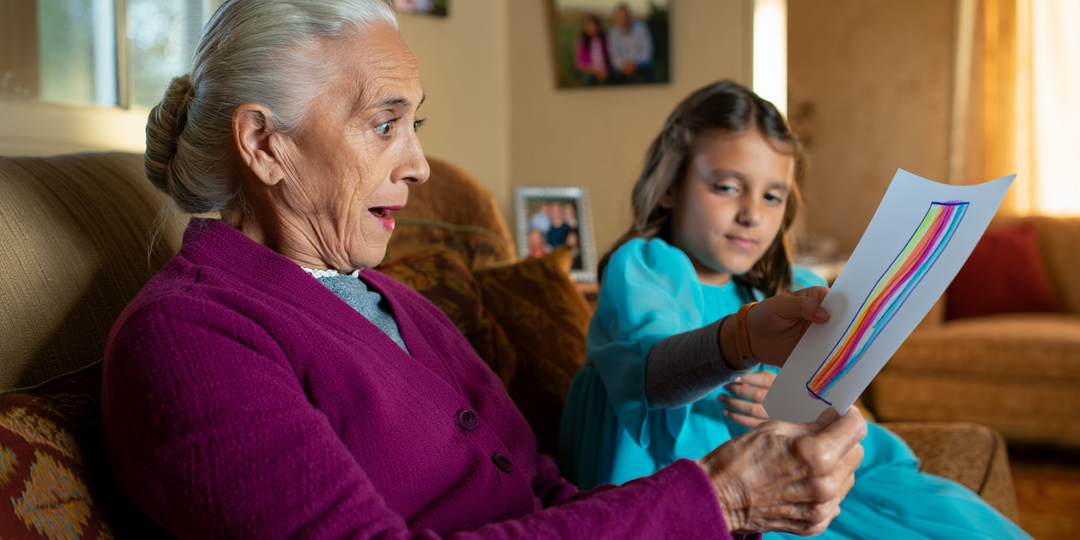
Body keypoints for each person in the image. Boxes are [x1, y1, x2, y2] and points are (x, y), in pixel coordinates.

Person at [102, 2, 867, 538]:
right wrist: (723, 499)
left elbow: (548, 497)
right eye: (384, 123)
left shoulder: (397, 302)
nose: (420, 165)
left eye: (416, 124)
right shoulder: (189, 338)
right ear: (265, 145)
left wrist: (745, 504)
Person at [558, 80, 1033, 540]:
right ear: (668, 187)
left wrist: (803, 417)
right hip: (682, 488)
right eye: (726, 187)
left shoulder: (794, 288)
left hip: (792, 479)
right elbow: (654, 376)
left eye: (772, 196)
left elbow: (837, 406)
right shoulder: (645, 269)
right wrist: (741, 340)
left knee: (953, 519)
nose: (752, 214)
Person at [606, 4, 653, 84]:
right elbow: (613, 56)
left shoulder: (642, 29)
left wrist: (634, 64)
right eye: (620, 16)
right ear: (616, 18)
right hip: (621, 69)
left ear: (630, 16)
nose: (623, 18)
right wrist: (624, 66)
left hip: (640, 66)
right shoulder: (612, 34)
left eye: (626, 15)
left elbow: (647, 52)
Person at [574, 14, 611, 86]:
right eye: (590, 27)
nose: (593, 29)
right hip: (590, 70)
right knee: (589, 79)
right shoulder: (581, 39)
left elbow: (610, 56)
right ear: (586, 27)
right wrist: (596, 71)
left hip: (604, 70)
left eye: (595, 26)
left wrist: (606, 69)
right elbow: (579, 64)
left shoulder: (604, 37)